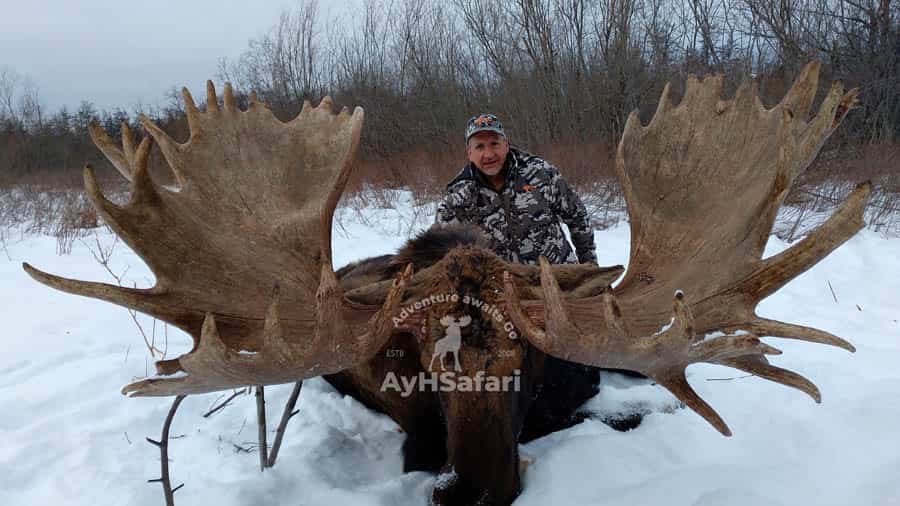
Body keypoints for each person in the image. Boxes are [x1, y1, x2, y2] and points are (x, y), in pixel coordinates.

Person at [435, 113, 597, 265]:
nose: (489, 154)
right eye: (479, 147)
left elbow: (577, 217)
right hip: (503, 288)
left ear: (506, 144)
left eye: (494, 144)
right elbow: (438, 249)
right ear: (469, 153)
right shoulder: (457, 197)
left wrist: (589, 267)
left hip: (559, 278)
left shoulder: (540, 173)